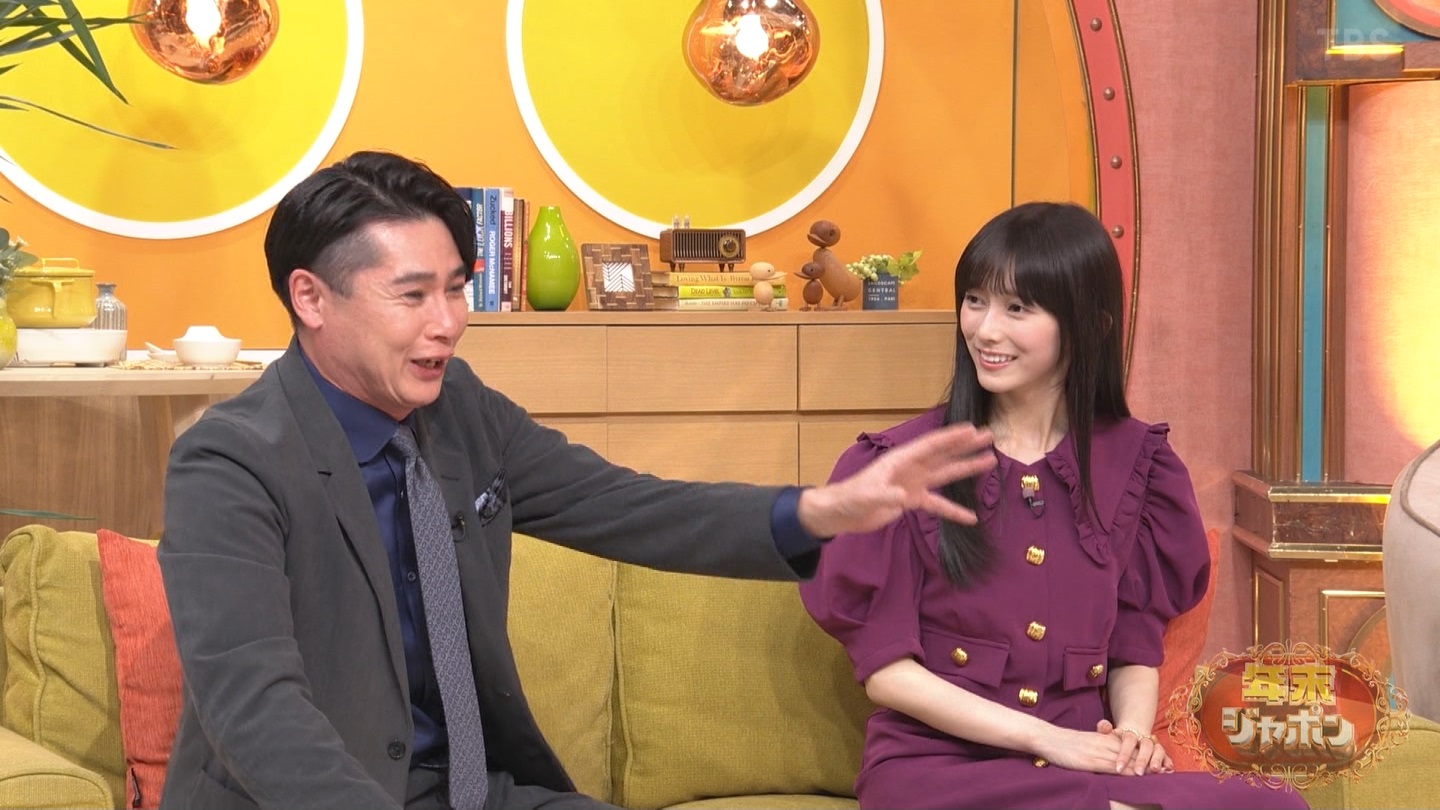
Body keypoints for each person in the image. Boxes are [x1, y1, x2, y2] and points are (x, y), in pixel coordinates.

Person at [156, 150, 996, 810]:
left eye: (456, 290)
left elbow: (627, 505)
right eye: (411, 296)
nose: (447, 324)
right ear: (311, 298)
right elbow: (255, 709)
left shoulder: (461, 410)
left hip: (471, 792)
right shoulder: (229, 464)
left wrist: (821, 510)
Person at [798, 202, 1308, 810]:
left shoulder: (1140, 468)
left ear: (1090, 324)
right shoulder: (895, 466)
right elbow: (886, 674)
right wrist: (1049, 739)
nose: (985, 330)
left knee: (1275, 804)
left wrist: (1131, 737)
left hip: (1085, 761)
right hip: (940, 769)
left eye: (1017, 308)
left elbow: (1134, 644)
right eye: (975, 301)